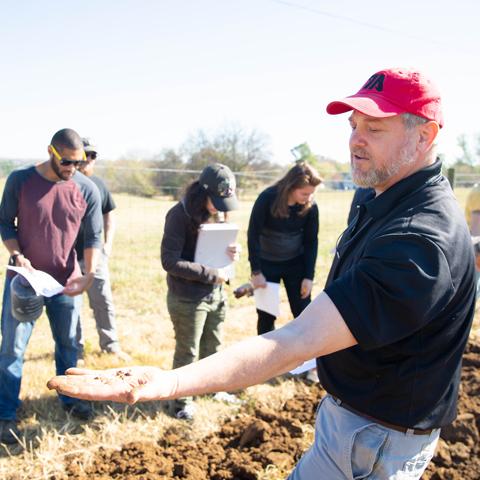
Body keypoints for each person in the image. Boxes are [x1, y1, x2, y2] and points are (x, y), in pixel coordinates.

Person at [48, 68, 475, 480]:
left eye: (374, 129)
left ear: (425, 135)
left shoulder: (421, 241)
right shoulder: (381, 194)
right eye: (353, 125)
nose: (355, 141)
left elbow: (295, 341)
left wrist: (170, 380)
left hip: (375, 438)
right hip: (357, 418)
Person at [0, 128, 103, 444]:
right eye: (67, 162)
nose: (73, 168)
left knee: (68, 344)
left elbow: (93, 237)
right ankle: (5, 413)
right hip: (25, 282)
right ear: (51, 152)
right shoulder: (20, 180)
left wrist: (88, 274)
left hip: (66, 283)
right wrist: (17, 254)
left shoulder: (86, 189)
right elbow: (5, 223)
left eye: (78, 162)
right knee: (13, 348)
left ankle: (72, 401)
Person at [160, 163, 241, 420]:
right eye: (215, 201)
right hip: (187, 298)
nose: (220, 208)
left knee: (213, 346)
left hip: (217, 294)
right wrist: (209, 273)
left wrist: (231, 253)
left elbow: (216, 249)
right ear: (201, 193)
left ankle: (212, 389)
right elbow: (169, 261)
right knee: (188, 352)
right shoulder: (179, 215)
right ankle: (180, 403)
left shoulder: (219, 214)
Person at [247, 162, 321, 335]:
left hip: (295, 265)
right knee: (266, 316)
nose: (309, 198)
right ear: (291, 187)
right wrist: (256, 271)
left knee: (303, 312)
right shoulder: (267, 198)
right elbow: (253, 235)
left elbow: (311, 242)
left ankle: (307, 358)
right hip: (267, 265)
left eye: (312, 194)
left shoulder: (311, 207)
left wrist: (308, 276)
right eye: (304, 193)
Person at [75, 138, 130, 362]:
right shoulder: (63, 183)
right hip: (68, 259)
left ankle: (110, 345)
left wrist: (107, 245)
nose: (88, 160)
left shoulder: (98, 184)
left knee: (103, 302)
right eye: (85, 154)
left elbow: (109, 216)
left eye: (93, 156)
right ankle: (74, 349)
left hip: (96, 257)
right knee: (72, 306)